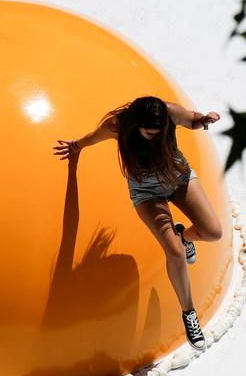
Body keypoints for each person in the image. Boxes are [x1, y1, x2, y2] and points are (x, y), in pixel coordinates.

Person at [52, 96, 222, 350]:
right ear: (135, 124)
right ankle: (189, 312)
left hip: (178, 176)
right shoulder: (116, 126)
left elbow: (193, 120)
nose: (155, 137)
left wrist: (205, 119)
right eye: (149, 133)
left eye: (159, 132)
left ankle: (184, 236)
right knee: (174, 253)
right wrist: (75, 146)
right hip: (147, 192)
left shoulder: (169, 113)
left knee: (213, 233)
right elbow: (92, 138)